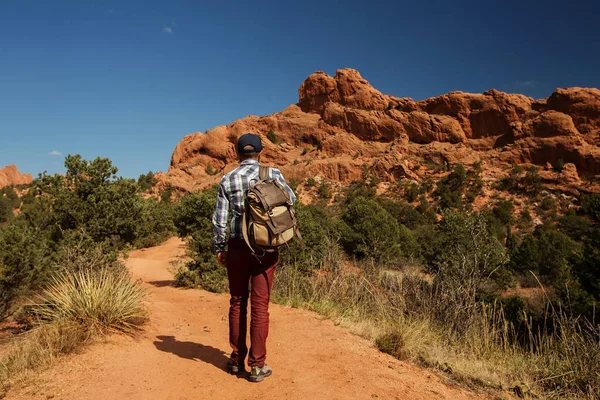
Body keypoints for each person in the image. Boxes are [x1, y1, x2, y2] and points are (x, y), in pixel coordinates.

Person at [212, 133, 296, 383]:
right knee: (260, 306)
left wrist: (220, 247)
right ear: (260, 152)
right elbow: (291, 200)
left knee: (237, 301)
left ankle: (237, 360)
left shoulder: (227, 179)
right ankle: (258, 366)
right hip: (266, 248)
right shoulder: (273, 174)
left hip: (238, 247)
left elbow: (219, 219)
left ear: (237, 153)